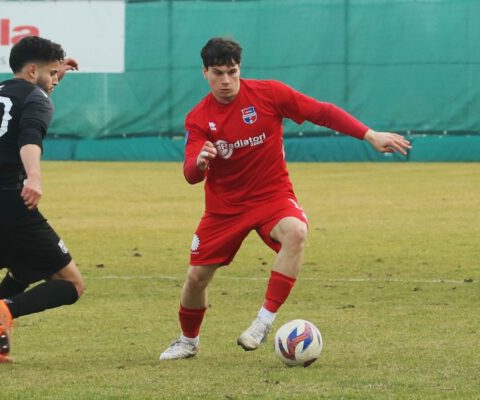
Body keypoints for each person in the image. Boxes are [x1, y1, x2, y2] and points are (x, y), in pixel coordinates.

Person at [159, 37, 411, 360]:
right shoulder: (198, 117)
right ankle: (188, 341)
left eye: (232, 72)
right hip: (225, 210)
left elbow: (321, 112)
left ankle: (263, 322)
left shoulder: (269, 94)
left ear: (240, 69)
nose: (226, 81)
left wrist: (369, 135)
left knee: (297, 232)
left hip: (271, 197)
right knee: (196, 279)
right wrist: (200, 162)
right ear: (204, 72)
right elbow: (190, 174)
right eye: (218, 73)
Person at [0, 35, 84, 365]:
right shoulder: (38, 98)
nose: (55, 81)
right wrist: (34, 177)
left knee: (21, 271)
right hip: (9, 204)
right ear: (33, 71)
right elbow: (29, 138)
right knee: (71, 285)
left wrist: (56, 71)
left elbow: (23, 102)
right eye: (52, 74)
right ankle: (7, 309)